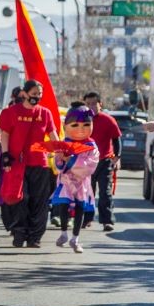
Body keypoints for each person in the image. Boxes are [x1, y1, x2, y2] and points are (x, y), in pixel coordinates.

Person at [0, 80, 59, 248]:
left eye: (39, 94)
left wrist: (61, 152)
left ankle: (35, 236)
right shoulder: (10, 112)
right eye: (34, 93)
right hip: (17, 163)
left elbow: (53, 134)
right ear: (24, 94)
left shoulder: (45, 113)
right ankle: (19, 232)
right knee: (19, 198)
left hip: (39, 163)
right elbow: (5, 134)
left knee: (39, 201)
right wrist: (5, 154)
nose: (37, 97)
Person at [50, 106, 100, 254]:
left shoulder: (91, 145)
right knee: (63, 206)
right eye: (75, 125)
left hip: (82, 183)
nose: (81, 129)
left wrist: (71, 161)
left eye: (86, 125)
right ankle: (64, 232)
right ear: (66, 126)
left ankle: (75, 238)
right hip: (66, 180)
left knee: (80, 208)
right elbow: (57, 163)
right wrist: (61, 161)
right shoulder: (64, 144)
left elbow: (91, 164)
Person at [83, 91, 122, 232]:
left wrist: (117, 157)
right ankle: (86, 219)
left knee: (105, 192)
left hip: (105, 161)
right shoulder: (82, 120)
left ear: (100, 104)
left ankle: (107, 221)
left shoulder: (108, 120)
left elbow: (117, 139)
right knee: (88, 191)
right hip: (87, 162)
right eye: (88, 104)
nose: (91, 107)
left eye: (94, 103)